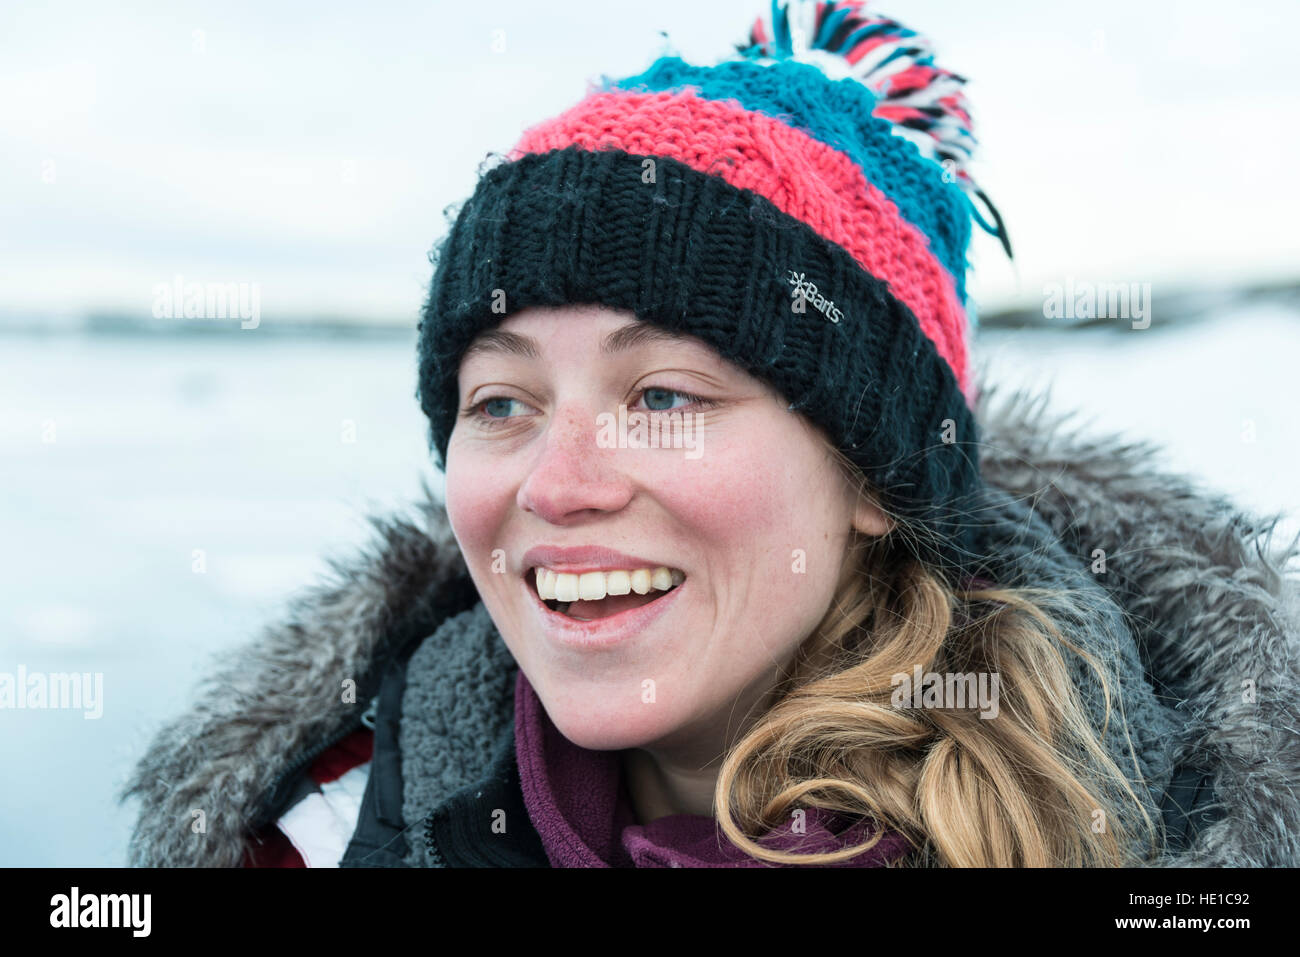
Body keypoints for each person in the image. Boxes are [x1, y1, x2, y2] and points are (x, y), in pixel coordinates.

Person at [121, 0, 1300, 867]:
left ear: (873, 475)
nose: (559, 485)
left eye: (665, 398)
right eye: (501, 405)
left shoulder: (1186, 840)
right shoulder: (319, 831)